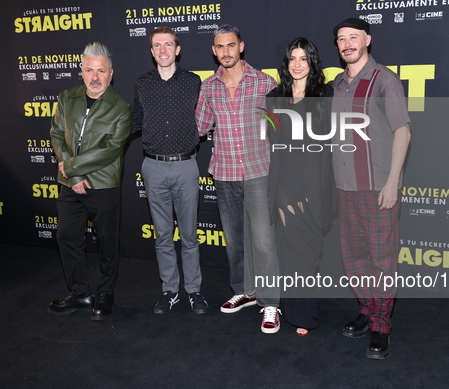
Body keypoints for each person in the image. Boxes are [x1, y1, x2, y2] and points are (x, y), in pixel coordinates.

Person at [331, 18, 411, 359]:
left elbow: (403, 132)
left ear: (368, 39)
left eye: (353, 37)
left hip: (378, 187)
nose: (347, 43)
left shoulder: (384, 80)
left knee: (381, 260)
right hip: (345, 187)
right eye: (341, 39)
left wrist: (393, 181)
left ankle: (381, 324)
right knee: (354, 258)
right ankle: (367, 308)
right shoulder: (337, 83)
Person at [195, 25, 281, 333]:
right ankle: (245, 291)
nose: (226, 52)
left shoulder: (264, 82)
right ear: (214, 50)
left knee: (265, 242)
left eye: (231, 45)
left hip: (259, 172)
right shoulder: (208, 87)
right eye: (220, 47)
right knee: (234, 242)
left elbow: (279, 129)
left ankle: (271, 302)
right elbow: (200, 126)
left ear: (241, 47)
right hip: (224, 173)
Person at [48, 42, 131, 320]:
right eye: (89, 70)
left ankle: (105, 293)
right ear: (81, 72)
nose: (95, 77)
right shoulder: (66, 98)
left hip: (103, 184)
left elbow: (111, 148)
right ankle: (80, 293)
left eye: (101, 71)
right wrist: (74, 175)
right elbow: (57, 135)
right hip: (70, 183)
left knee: (107, 242)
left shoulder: (120, 107)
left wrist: (71, 168)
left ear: (111, 74)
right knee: (67, 237)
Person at [132, 27, 207, 315]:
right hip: (152, 167)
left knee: (189, 235)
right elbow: (133, 121)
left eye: (168, 45)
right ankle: (169, 290)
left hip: (186, 165)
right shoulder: (142, 83)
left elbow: (207, 118)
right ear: (152, 52)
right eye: (156, 46)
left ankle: (194, 292)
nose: (162, 50)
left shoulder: (193, 82)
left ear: (177, 50)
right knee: (162, 235)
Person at [266, 37, 335, 336]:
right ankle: (298, 313)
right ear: (286, 63)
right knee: (289, 250)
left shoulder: (325, 95)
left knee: (307, 252)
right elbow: (272, 143)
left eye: (303, 59)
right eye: (292, 58)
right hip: (283, 182)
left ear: (312, 63)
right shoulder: (274, 97)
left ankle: (304, 313)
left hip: (313, 184)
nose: (297, 64)